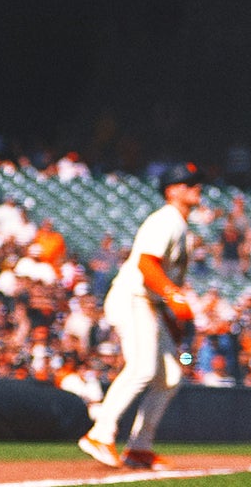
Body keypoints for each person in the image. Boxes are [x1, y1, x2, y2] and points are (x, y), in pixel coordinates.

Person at [78, 163, 203, 471]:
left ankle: (139, 448)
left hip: (153, 306)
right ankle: (100, 433)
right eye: (188, 183)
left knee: (172, 375)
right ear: (172, 190)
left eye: (196, 183)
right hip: (134, 296)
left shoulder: (182, 227)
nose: (196, 187)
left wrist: (176, 334)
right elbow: (147, 265)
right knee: (143, 368)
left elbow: (165, 286)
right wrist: (174, 297)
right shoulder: (167, 219)